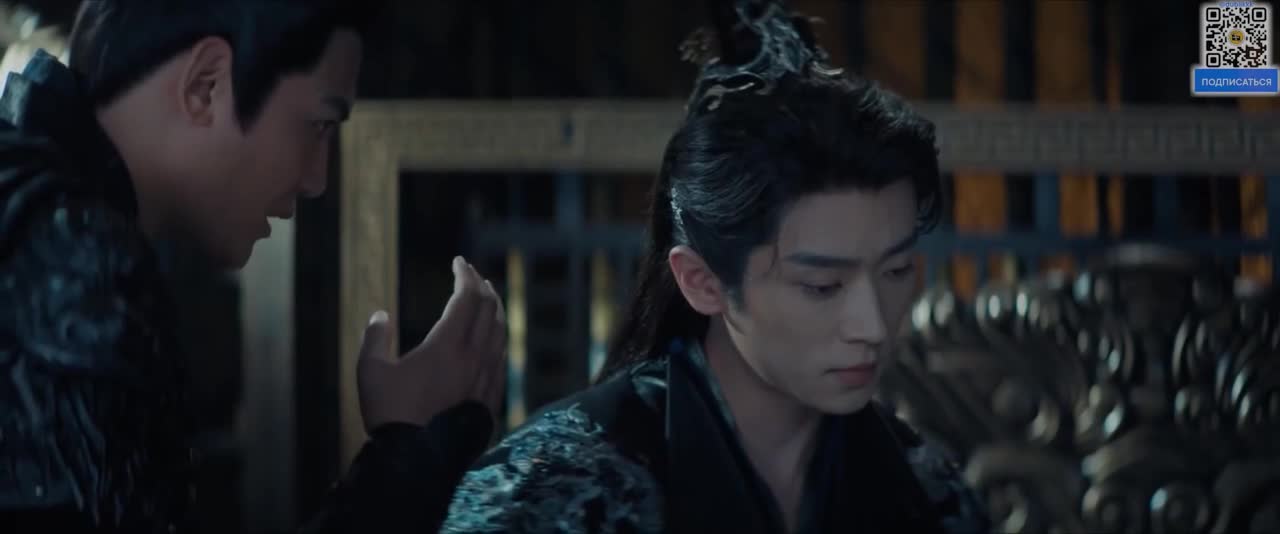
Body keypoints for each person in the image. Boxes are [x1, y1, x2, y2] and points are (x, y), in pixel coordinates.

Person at [439, 1, 991, 533]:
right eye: (822, 286)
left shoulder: (927, 490)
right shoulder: (550, 491)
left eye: (896, 271)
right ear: (703, 282)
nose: (872, 326)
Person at [0, 1, 506, 532]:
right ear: (206, 85)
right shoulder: (82, 270)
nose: (317, 180)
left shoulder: (45, 225)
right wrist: (407, 451)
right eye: (318, 125)